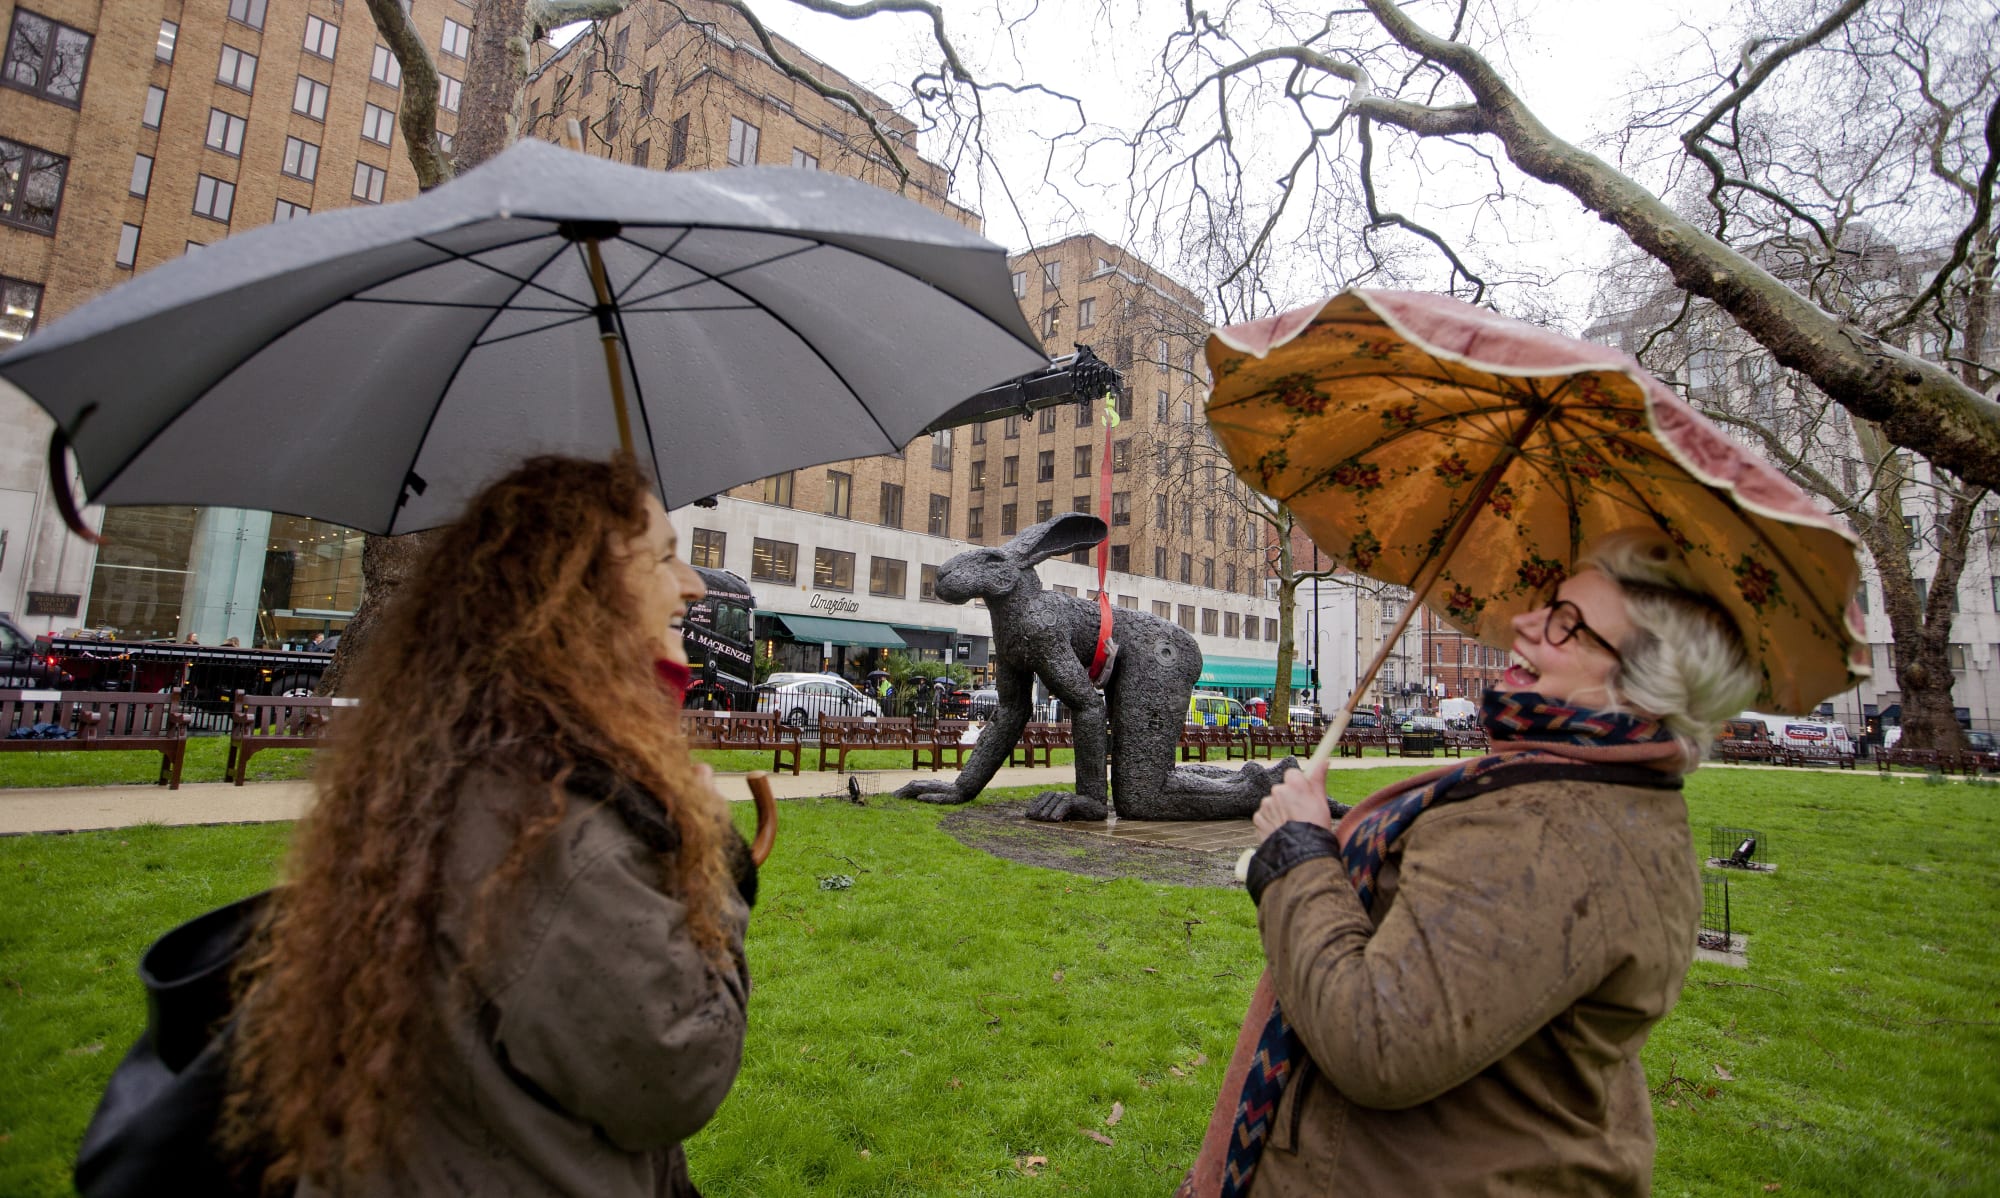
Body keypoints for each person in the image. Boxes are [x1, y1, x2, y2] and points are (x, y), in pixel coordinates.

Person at [224, 456, 753, 1197]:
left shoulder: (465, 756)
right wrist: (717, 862)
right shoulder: (554, 824)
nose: (694, 585)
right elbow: (674, 1072)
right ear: (578, 596)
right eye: (665, 557)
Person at [1188, 529, 1759, 1196]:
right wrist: (1348, 837)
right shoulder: (1594, 795)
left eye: (1566, 624)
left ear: (1644, 683)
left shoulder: (1550, 834)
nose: (1525, 623)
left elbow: (1376, 1040)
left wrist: (1297, 855)